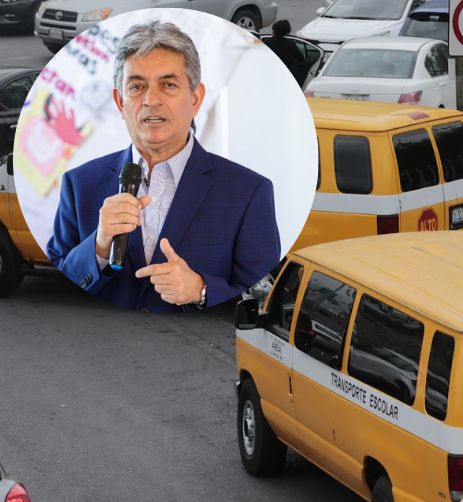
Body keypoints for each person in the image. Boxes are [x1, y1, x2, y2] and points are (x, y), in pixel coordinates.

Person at [47, 21, 280, 313]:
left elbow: (266, 297)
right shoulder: (79, 184)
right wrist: (100, 245)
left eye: (168, 85)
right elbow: (53, 288)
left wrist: (202, 289)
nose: (151, 100)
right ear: (120, 102)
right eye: (137, 86)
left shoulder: (248, 191)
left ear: (195, 99)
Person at [262, 20, 305, 84]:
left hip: (272, 74)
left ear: (274, 30)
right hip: (288, 75)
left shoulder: (267, 42)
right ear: (287, 31)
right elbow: (301, 59)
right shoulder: (290, 43)